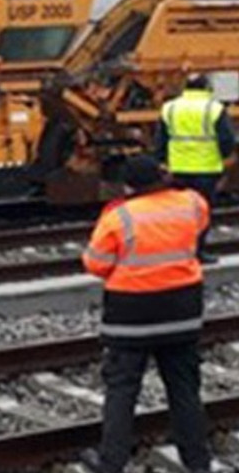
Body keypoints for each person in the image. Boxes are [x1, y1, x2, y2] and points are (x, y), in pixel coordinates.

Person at [80, 154, 211, 473]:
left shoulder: (119, 216)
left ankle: (111, 462)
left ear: (128, 185)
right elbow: (200, 226)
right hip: (182, 311)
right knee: (184, 388)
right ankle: (198, 462)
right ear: (161, 176)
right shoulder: (191, 203)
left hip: (131, 316)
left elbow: (95, 263)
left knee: (122, 390)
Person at [156, 73, 235, 264]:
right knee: (201, 212)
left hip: (178, 169)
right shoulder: (214, 109)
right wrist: (223, 156)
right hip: (206, 169)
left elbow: (161, 140)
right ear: (206, 88)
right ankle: (197, 251)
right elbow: (226, 139)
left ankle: (177, 250)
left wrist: (163, 161)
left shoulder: (170, 108)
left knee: (178, 212)